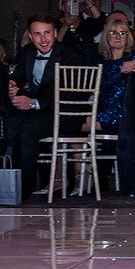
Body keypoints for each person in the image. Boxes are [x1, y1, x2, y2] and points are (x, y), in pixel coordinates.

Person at [6, 14, 82, 200]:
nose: (43, 39)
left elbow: (67, 93)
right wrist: (13, 85)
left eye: (47, 33)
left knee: (28, 130)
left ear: (55, 33)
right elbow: (19, 75)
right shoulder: (27, 52)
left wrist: (33, 102)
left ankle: (22, 191)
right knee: (11, 122)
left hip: (65, 113)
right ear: (31, 37)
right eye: (37, 34)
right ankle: (9, 185)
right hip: (41, 111)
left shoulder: (70, 56)